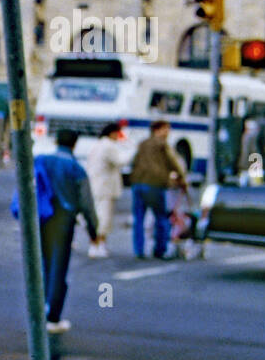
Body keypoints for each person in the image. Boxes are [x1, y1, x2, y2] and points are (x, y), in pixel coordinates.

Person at [36, 129, 99, 334]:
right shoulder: (76, 168)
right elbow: (86, 202)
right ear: (75, 144)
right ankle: (52, 316)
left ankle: (38, 309)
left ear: (56, 141)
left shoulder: (42, 160)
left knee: (42, 265)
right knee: (58, 268)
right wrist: (93, 229)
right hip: (63, 220)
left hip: (41, 216)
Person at [129, 120, 187, 260]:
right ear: (157, 130)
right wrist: (182, 178)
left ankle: (139, 250)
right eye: (166, 129)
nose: (168, 132)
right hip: (155, 184)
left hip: (138, 183)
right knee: (161, 217)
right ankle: (160, 249)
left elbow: (134, 161)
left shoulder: (142, 143)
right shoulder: (163, 144)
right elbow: (173, 162)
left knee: (139, 218)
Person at [85, 122, 129, 258]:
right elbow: (121, 161)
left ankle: (95, 245)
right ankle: (99, 245)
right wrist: (131, 151)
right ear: (112, 133)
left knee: (95, 217)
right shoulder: (108, 146)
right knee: (104, 218)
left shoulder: (97, 145)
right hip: (105, 187)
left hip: (94, 185)